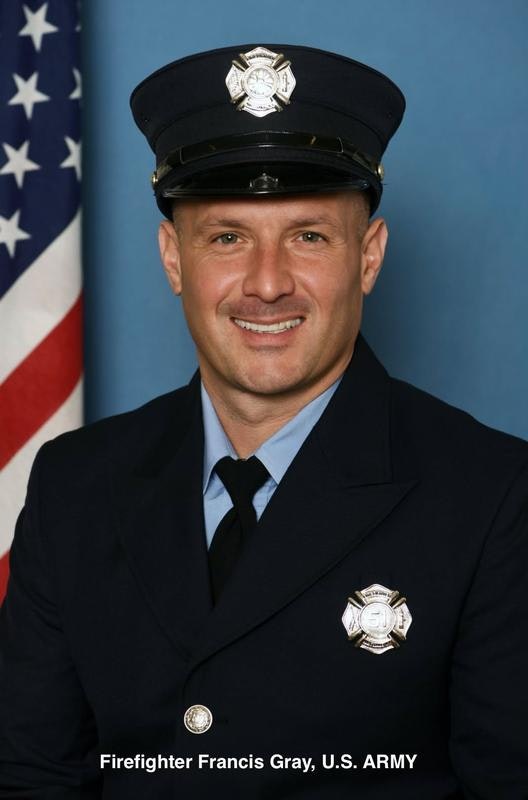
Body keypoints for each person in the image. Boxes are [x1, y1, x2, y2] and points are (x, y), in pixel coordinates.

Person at [0, 43, 527, 800]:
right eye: (227, 237)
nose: (268, 284)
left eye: (308, 235)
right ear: (173, 258)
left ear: (368, 257)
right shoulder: (75, 485)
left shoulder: (493, 499)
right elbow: (31, 777)